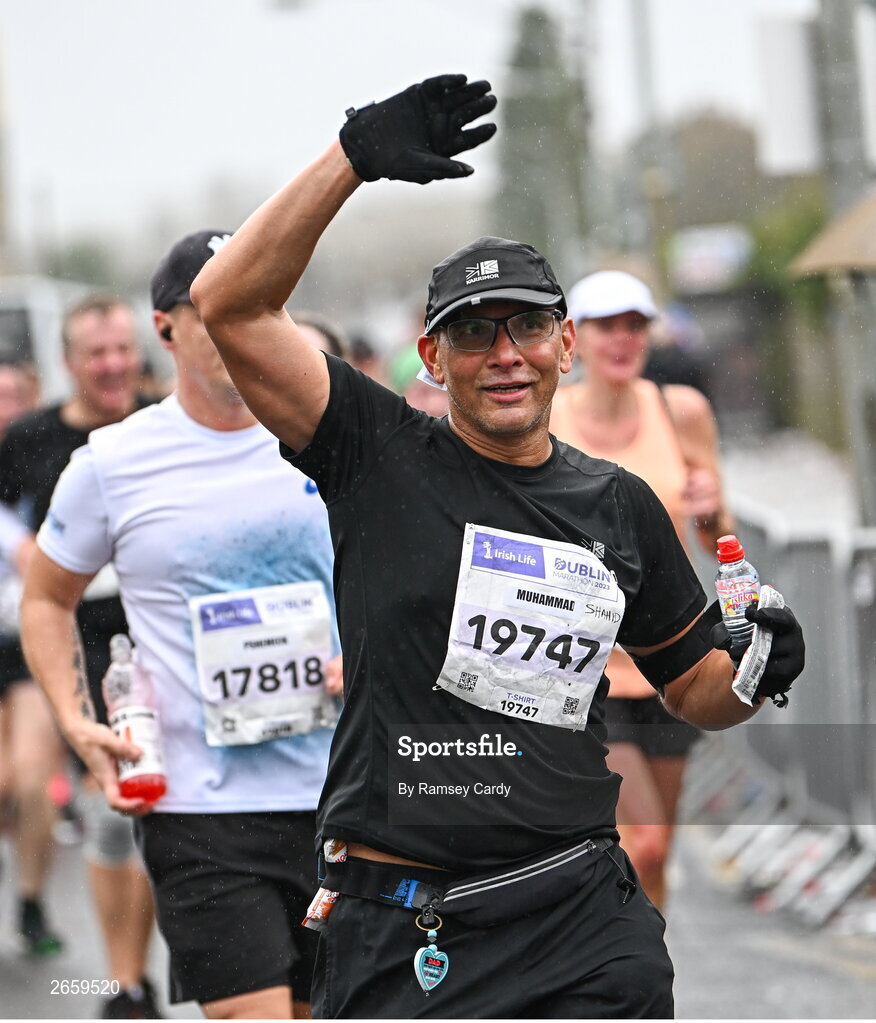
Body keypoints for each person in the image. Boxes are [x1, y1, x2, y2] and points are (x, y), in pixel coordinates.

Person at [190, 74, 805, 1018]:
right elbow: (228, 303)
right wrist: (351, 159)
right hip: (408, 928)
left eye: (525, 325)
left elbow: (692, 688)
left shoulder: (618, 504)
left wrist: (758, 663)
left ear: (565, 342)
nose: (503, 352)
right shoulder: (375, 452)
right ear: (433, 359)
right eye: (472, 333)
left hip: (580, 919)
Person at [21, 229, 342, 1021]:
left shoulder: (332, 434)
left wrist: (366, 652)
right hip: (201, 807)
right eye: (214, 311)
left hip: (344, 794)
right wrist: (75, 718)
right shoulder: (111, 461)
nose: (238, 326)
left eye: (256, 306)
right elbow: (45, 596)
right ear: (163, 330)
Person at [550, 269, 734, 910]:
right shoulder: (548, 415)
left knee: (657, 851)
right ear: (574, 338)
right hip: (581, 664)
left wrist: (711, 510)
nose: (624, 339)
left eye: (636, 324)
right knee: (642, 840)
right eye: (607, 326)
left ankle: (642, 987)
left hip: (669, 659)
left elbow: (719, 540)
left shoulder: (680, 411)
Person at [0, 299, 161, 1013]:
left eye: (122, 349)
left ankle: (134, 976)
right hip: (72, 635)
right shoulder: (30, 438)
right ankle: (113, 973)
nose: (113, 365)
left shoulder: (165, 419)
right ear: (68, 364)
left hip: (161, 632)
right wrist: (26, 552)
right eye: (96, 353)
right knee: (82, 795)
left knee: (146, 810)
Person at [0, 361, 68, 958]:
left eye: (14, 397)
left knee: (30, 779)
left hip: (23, 641)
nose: (4, 409)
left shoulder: (40, 459)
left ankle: (30, 897)